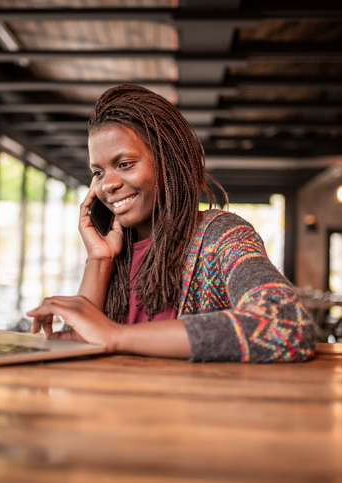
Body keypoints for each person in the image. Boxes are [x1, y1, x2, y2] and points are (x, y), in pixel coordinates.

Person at [26, 84, 316, 362]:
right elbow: (83, 349)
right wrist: (99, 260)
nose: (108, 185)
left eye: (125, 164)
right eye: (98, 172)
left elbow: (286, 324)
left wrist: (117, 335)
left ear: (168, 162)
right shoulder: (114, 252)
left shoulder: (222, 236)